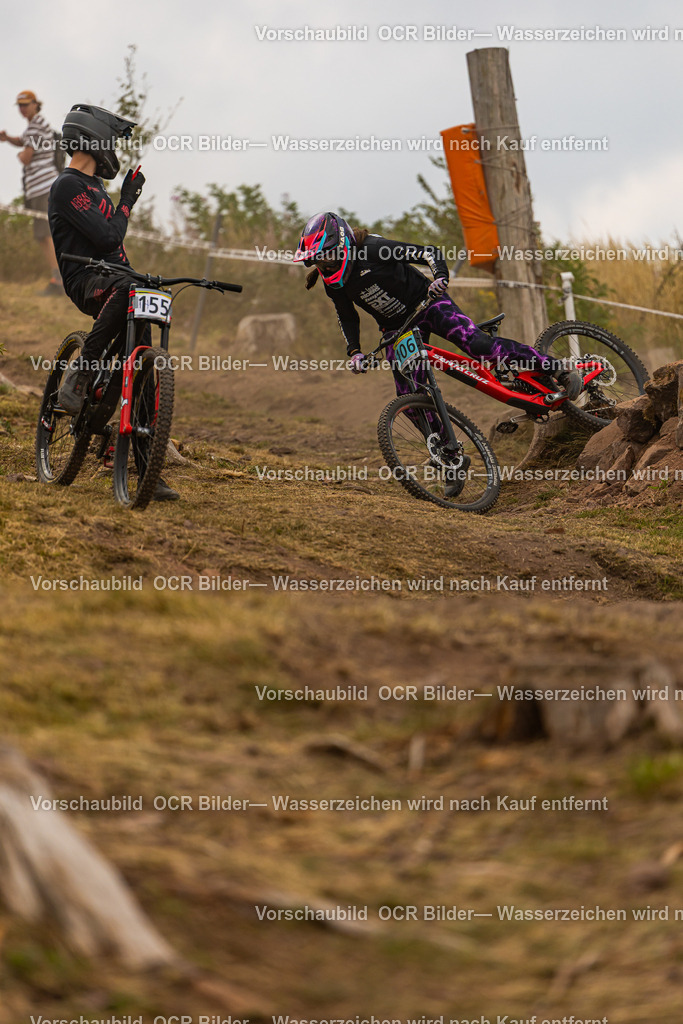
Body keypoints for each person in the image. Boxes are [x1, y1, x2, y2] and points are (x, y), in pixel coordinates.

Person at [293, 212, 581, 401]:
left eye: (327, 257)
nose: (323, 264)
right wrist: (354, 352)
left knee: (478, 346)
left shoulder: (373, 249)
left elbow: (428, 252)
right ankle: (448, 457)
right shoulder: (331, 282)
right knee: (410, 395)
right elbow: (347, 316)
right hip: (397, 329)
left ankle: (558, 369)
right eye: (317, 260)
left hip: (429, 304)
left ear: (342, 244)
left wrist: (440, 278)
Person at [47, 102, 178, 501]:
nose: (115, 151)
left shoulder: (95, 189)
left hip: (117, 279)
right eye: (112, 139)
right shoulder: (68, 185)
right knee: (126, 289)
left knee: (142, 362)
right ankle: (81, 373)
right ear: (94, 138)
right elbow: (107, 239)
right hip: (87, 281)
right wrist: (127, 202)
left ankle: (140, 464)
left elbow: (113, 245)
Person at [0, 89, 62, 294]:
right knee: (43, 235)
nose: (22, 109)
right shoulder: (35, 126)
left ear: (36, 104)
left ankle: (58, 281)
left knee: (46, 235)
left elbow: (26, 155)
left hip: (43, 186)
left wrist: (20, 155)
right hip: (39, 188)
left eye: (26, 104)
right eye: (20, 105)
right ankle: (58, 277)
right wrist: (8, 138)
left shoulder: (35, 126)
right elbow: (24, 140)